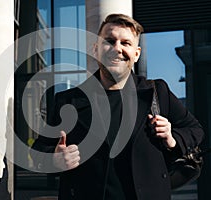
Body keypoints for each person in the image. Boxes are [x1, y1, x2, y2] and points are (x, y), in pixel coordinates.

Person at [31, 13, 204, 200]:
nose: (117, 48)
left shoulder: (157, 92)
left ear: (136, 54)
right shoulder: (67, 100)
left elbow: (195, 129)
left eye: (125, 43)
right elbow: (39, 153)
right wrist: (55, 160)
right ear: (96, 49)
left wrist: (172, 138)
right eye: (109, 41)